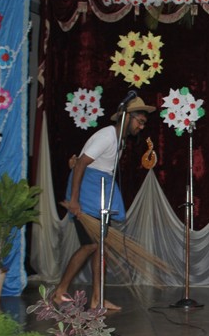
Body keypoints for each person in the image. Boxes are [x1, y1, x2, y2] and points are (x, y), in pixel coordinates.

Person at [53, 96, 156, 310]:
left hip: (100, 192)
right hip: (87, 192)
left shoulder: (120, 140)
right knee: (91, 245)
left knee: (101, 248)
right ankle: (59, 291)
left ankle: (97, 299)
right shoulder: (107, 136)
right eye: (140, 121)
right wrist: (74, 200)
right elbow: (81, 164)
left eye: (144, 123)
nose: (141, 127)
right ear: (127, 117)